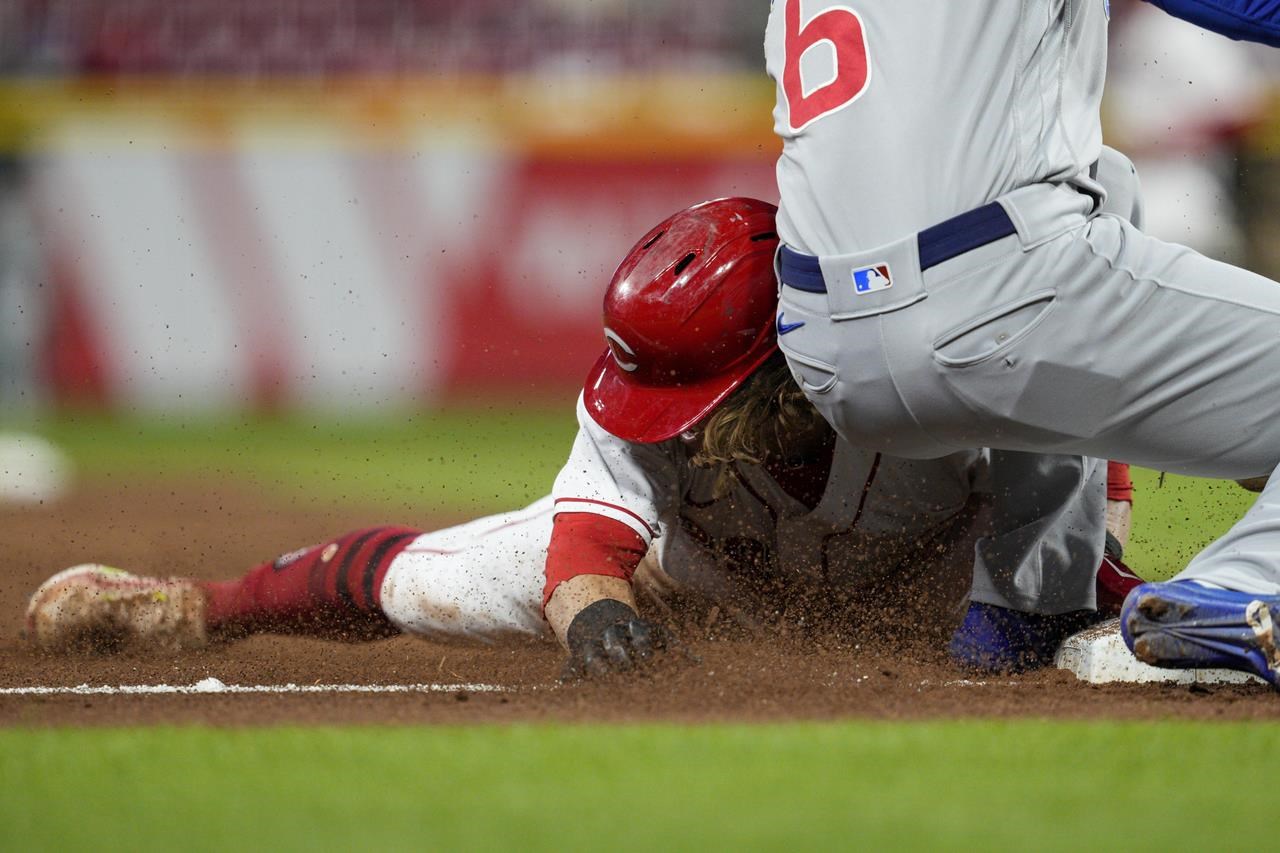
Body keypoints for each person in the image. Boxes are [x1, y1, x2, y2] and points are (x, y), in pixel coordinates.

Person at [23, 198, 1140, 677]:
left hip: (940, 581)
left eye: (703, 394)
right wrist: (600, 623)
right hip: (711, 579)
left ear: (784, 358)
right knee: (433, 585)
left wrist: (1085, 591)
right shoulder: (635, 386)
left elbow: (1080, 475)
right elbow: (584, 549)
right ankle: (199, 609)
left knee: (1099, 628)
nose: (677, 423)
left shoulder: (929, 365)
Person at [764, 0, 1280, 686]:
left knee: (1107, 178)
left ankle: (1030, 601)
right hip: (996, 301)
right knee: (1075, 201)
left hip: (818, 349)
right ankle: (1249, 586)